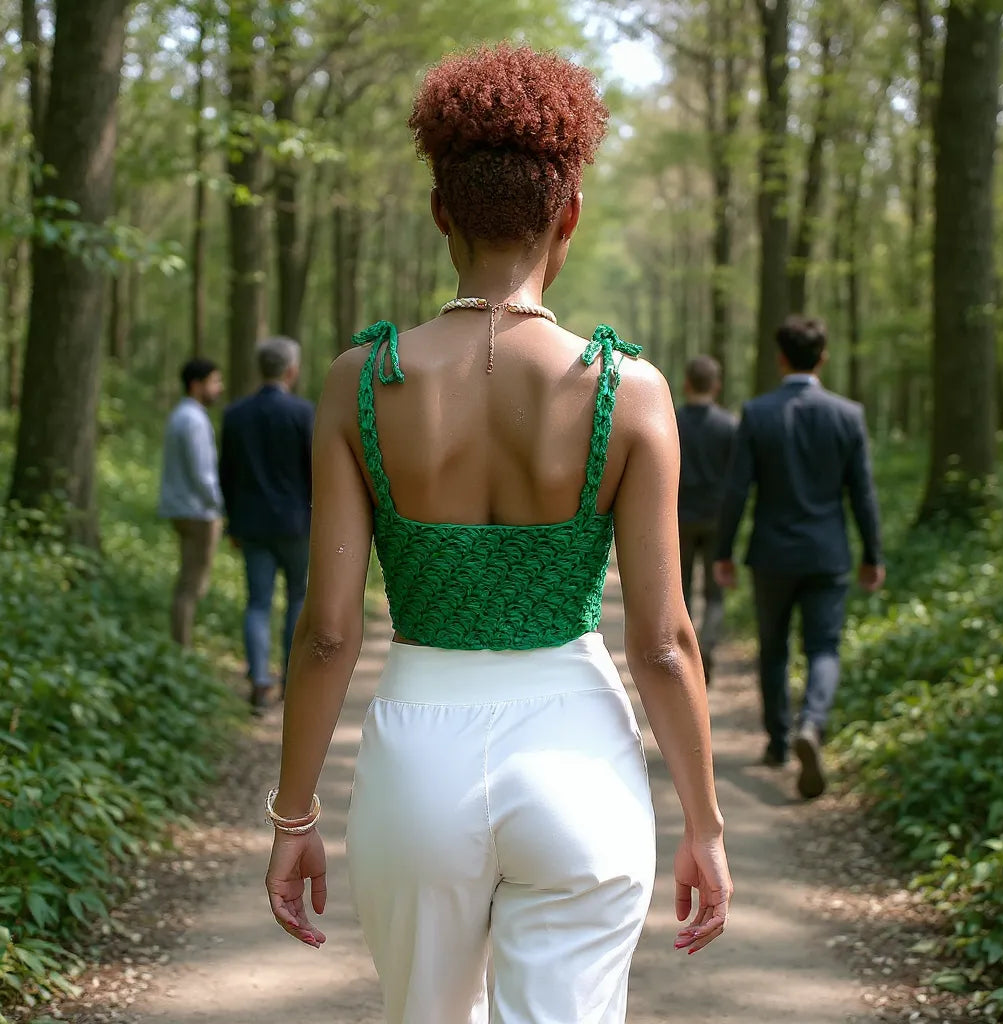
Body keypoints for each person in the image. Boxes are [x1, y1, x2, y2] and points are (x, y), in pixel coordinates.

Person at [262, 45, 732, 1024]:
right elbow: (661, 640)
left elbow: (329, 631)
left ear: (442, 211)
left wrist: (293, 813)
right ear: (569, 214)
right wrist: (705, 823)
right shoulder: (629, 391)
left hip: (415, 767)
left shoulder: (361, 380)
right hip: (579, 762)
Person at [713, 315, 884, 800]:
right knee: (824, 648)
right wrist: (873, 553)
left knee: (774, 647)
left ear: (781, 357)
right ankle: (813, 722)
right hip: (827, 553)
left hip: (771, 552)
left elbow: (736, 490)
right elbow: (863, 494)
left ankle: (778, 743)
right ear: (822, 357)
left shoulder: (758, 413)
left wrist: (723, 552)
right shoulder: (847, 415)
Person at [219, 337, 315, 713]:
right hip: (296, 524)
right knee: (297, 598)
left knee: (257, 603)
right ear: (291, 370)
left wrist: (232, 523)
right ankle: (292, 680)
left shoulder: (235, 414)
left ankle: (260, 682)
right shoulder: (303, 413)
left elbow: (225, 473)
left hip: (252, 524)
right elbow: (315, 471)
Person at [675, 355, 737, 686]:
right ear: (716, 385)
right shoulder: (729, 426)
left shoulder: (672, 420)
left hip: (679, 517)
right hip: (717, 519)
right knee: (715, 595)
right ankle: (707, 644)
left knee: (680, 592)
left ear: (686, 384)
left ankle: (688, 657)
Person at [158, 358, 224, 647]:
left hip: (182, 508)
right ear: (196, 385)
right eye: (214, 382)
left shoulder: (180, 415)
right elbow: (203, 474)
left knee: (188, 581)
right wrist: (220, 506)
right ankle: (181, 648)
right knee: (192, 585)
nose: (218, 389)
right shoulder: (194, 420)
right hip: (198, 512)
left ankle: (181, 645)